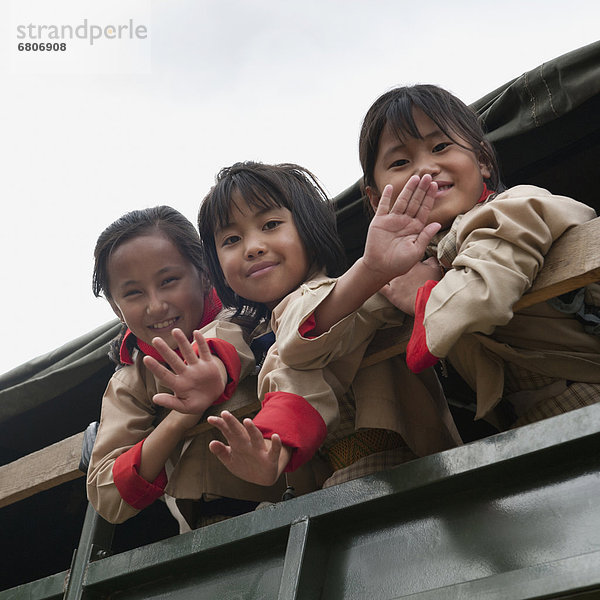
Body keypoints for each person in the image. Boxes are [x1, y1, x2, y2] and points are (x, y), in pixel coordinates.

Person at [155, 162, 461, 490]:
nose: (252, 247)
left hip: (404, 468)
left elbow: (300, 335)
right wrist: (210, 370)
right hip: (328, 487)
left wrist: (372, 271)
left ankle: (277, 443)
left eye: (271, 224)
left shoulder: (352, 289)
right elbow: (228, 338)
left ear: (309, 229)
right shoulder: (241, 327)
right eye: (231, 239)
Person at [359, 84, 600, 429]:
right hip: (526, 426)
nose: (425, 169)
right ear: (375, 198)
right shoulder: (412, 258)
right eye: (400, 162)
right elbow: (354, 314)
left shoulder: (516, 206)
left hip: (585, 399)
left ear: (483, 161)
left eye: (440, 146)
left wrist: (421, 297)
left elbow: (484, 291)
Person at [87, 205, 323, 532]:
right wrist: (181, 418)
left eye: (169, 280)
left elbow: (227, 342)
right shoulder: (130, 379)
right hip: (205, 530)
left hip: (295, 504)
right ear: (116, 307)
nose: (156, 305)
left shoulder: (250, 315)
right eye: (133, 293)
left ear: (204, 273)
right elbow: (109, 496)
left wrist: (212, 373)